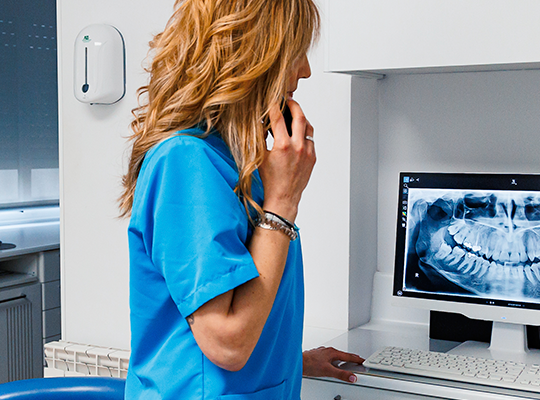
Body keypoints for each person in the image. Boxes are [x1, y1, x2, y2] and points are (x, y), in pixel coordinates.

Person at [117, 0, 364, 398]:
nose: (305, 70)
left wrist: (290, 360)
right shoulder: (185, 161)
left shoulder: (227, 163)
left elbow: (228, 318)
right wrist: (283, 202)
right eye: (295, 51)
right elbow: (227, 343)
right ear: (253, 55)